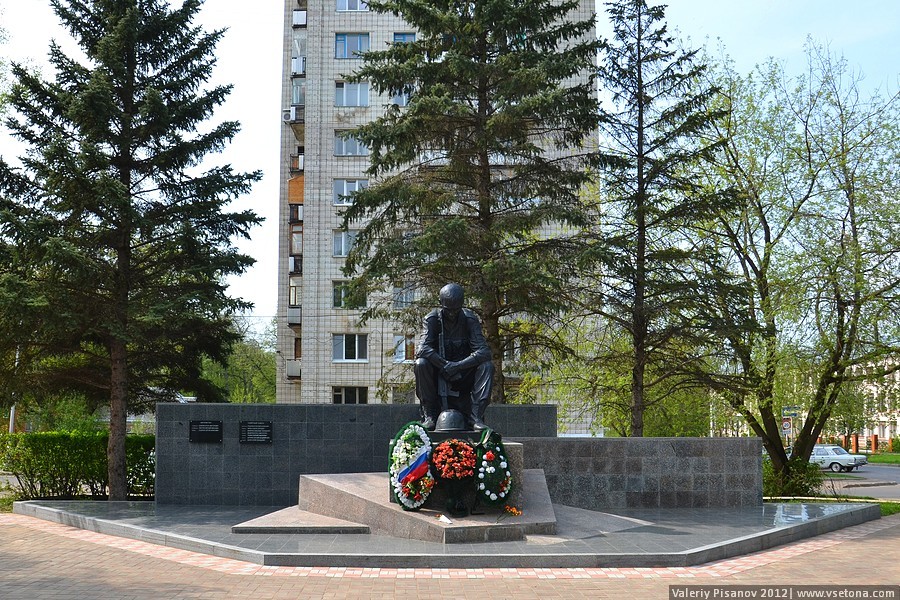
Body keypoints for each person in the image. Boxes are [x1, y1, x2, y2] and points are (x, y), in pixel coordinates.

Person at [414, 283, 494, 431]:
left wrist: (457, 366)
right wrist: (444, 365)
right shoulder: (432, 319)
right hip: (439, 373)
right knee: (421, 364)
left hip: (463, 375)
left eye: (456, 310)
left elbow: (484, 352)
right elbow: (421, 349)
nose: (452, 314)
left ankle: (475, 417)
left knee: (487, 366)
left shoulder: (470, 319)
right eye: (448, 310)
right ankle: (430, 415)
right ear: (441, 304)